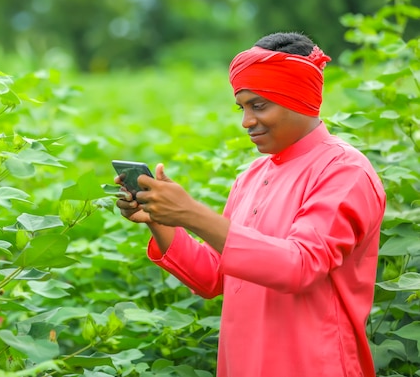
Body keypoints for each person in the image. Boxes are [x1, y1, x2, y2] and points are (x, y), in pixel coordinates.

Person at [115, 32, 386, 377]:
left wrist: (192, 212)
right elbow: (213, 276)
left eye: (258, 106)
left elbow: (300, 265)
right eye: (242, 107)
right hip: (243, 363)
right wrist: (161, 216)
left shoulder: (345, 171)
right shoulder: (252, 175)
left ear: (299, 100)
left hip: (312, 365)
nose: (246, 121)